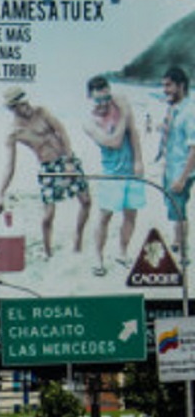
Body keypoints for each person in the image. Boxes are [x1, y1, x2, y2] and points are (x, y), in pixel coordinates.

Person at [0, 86, 91, 259]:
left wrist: (69, 161)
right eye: (21, 105)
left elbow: (62, 131)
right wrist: (0, 194)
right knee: (48, 216)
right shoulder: (14, 132)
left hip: (66, 158)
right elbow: (9, 166)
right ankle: (48, 252)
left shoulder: (42, 112)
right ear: (12, 108)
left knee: (86, 201)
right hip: (48, 169)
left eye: (26, 102)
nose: (27, 107)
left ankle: (78, 238)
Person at [82, 75, 144, 274]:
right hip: (111, 174)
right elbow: (115, 141)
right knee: (105, 216)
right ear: (90, 98)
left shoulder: (120, 102)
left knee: (131, 214)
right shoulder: (90, 123)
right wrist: (125, 114)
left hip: (131, 171)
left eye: (107, 97)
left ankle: (122, 253)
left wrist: (138, 160)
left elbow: (133, 132)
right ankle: (98, 258)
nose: (104, 103)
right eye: (99, 99)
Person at [160, 67, 195, 261]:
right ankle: (177, 240)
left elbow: (194, 148)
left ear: (181, 85)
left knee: (179, 211)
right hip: (171, 166)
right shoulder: (174, 106)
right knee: (173, 208)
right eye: (163, 85)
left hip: (181, 169)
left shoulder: (190, 112)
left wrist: (182, 178)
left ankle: (184, 254)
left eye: (168, 85)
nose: (165, 89)